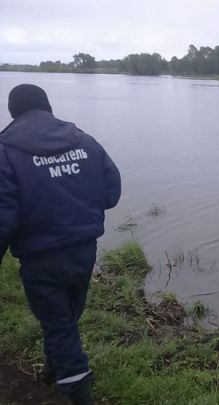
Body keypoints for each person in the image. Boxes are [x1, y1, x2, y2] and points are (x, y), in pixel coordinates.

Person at [0, 84, 121, 405]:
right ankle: (52, 370)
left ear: (13, 112)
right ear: (48, 106)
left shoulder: (5, 150)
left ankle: (79, 394)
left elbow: (4, 217)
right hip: (84, 251)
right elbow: (112, 193)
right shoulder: (84, 140)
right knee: (63, 319)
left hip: (41, 259)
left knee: (59, 324)